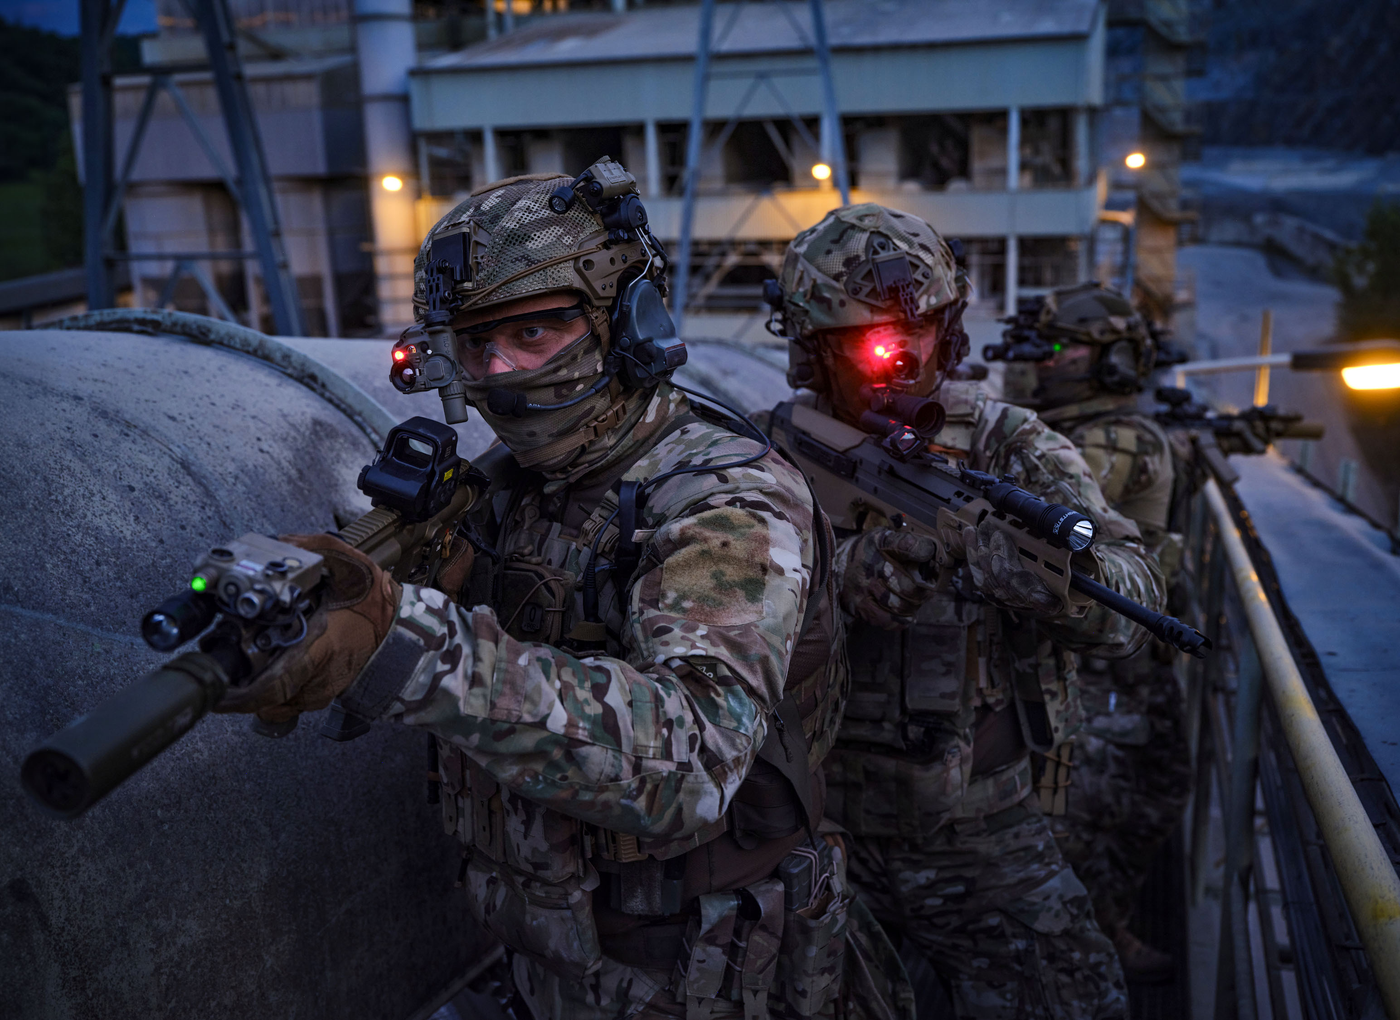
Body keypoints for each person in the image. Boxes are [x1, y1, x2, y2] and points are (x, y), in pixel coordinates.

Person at [211, 163, 909, 1020]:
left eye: (535, 333)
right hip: (560, 957)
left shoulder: (726, 497)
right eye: (475, 345)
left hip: (708, 973)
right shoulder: (523, 482)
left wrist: (409, 641)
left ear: (626, 322)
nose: (500, 371)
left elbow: (690, 764)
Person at [765, 204, 1167, 1019]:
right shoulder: (765, 456)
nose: (900, 354)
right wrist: (837, 582)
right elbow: (699, 617)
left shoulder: (1011, 445)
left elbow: (1134, 603)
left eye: (924, 329)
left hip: (983, 832)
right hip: (812, 826)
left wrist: (1044, 579)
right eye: (865, 337)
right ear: (811, 345)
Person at [994, 283, 1193, 982]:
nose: (1045, 361)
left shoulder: (1111, 434)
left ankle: (1102, 933)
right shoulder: (1079, 431)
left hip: (1119, 660)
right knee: (1095, 808)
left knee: (1131, 796)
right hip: (1103, 662)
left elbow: (1071, 504)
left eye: (1062, 347)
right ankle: (1101, 938)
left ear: (1111, 361)